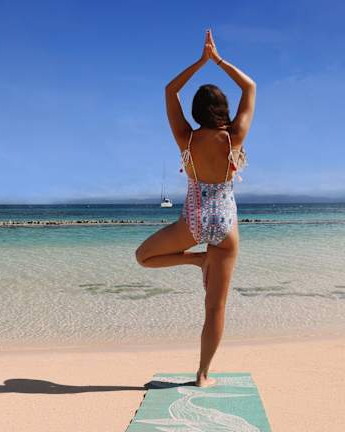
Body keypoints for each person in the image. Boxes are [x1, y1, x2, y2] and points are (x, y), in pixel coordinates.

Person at [135, 28, 256, 387]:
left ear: (195, 111)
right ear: (223, 109)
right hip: (226, 224)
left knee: (143, 256)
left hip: (193, 221)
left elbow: (169, 90)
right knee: (215, 308)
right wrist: (218, 61)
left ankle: (196, 260)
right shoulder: (234, 138)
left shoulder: (185, 139)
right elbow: (250, 87)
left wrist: (200, 62)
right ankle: (203, 375)